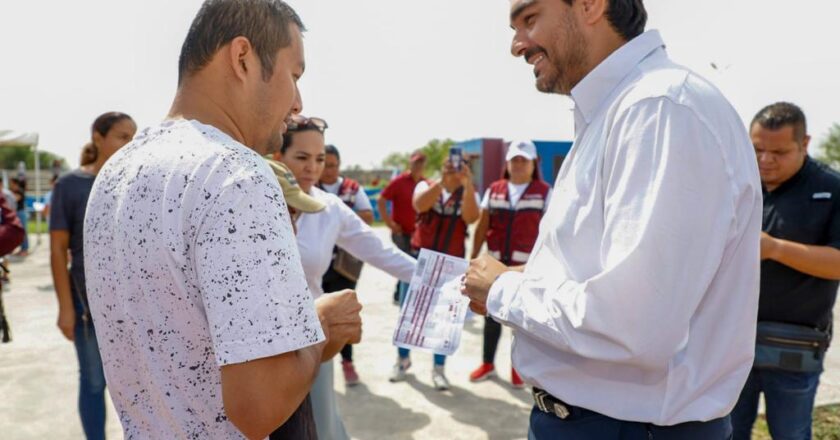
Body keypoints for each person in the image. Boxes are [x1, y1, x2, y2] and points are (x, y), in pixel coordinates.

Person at [461, 1, 762, 438]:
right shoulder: (620, 110)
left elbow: (633, 326)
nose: (517, 45)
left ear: (589, 5)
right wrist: (526, 277)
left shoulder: (658, 109)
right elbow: (605, 273)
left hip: (629, 428)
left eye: (529, 19)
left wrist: (503, 290)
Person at [82, 2, 362, 439]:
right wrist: (321, 325)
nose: (298, 103)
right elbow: (258, 406)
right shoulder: (236, 176)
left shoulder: (116, 173)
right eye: (295, 75)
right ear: (243, 58)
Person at [275, 114, 416, 440]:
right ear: (279, 156)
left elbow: (380, 251)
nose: (312, 168)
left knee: (321, 424)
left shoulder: (330, 208)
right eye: (302, 157)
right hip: (263, 344)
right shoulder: (255, 201)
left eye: (320, 159)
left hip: (314, 335)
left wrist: (439, 277)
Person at [730, 103, 840, 440]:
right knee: (725, 432)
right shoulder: (736, 182)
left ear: (805, 143)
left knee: (791, 434)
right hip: (731, 345)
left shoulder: (831, 188)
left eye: (778, 152)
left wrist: (775, 248)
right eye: (757, 149)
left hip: (794, 348)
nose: (765, 160)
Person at [50, 112, 137, 440]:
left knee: (134, 382)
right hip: (86, 305)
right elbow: (58, 250)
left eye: (133, 136)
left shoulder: (137, 181)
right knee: (93, 381)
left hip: (130, 304)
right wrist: (65, 308)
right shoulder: (70, 186)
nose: (130, 143)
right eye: (122, 136)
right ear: (98, 138)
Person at [390, 156, 480, 390]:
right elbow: (420, 205)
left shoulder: (469, 192)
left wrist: (467, 183)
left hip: (451, 266)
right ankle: (402, 360)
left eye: (458, 166)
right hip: (420, 260)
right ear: (441, 168)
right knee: (408, 313)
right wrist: (443, 182)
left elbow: (471, 217)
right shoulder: (426, 186)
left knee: (444, 320)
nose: (453, 169)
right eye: (449, 165)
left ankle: (439, 370)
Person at [468, 140, 551, 388]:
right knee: (490, 317)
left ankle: (518, 369)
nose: (518, 164)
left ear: (533, 163)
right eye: (514, 159)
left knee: (522, 322)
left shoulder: (546, 192)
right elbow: (482, 226)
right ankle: (487, 363)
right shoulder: (494, 189)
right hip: (494, 266)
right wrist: (473, 257)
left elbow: (550, 234)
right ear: (507, 163)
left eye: (523, 160)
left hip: (525, 269)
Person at [318, 143, 373, 385]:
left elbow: (369, 217)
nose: (329, 170)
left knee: (344, 313)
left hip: (344, 264)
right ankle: (317, 362)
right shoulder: (308, 188)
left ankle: (347, 362)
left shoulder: (351, 188)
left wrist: (337, 222)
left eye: (333, 165)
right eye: (325, 164)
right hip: (318, 262)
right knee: (319, 312)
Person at [378, 151, 426, 303]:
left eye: (420, 163)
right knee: (408, 261)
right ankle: (401, 295)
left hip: (418, 234)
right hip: (401, 232)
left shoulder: (425, 184)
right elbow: (381, 199)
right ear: (410, 164)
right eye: (415, 163)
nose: (417, 166)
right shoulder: (399, 182)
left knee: (414, 264)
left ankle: (401, 294)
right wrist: (389, 223)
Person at [9, 177, 28, 257]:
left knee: (23, 231)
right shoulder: (15, 191)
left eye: (11, 183)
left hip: (21, 213)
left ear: (14, 183)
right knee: (18, 232)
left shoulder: (19, 191)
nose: (10, 184)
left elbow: (15, 200)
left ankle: (25, 249)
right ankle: (21, 248)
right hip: (17, 212)